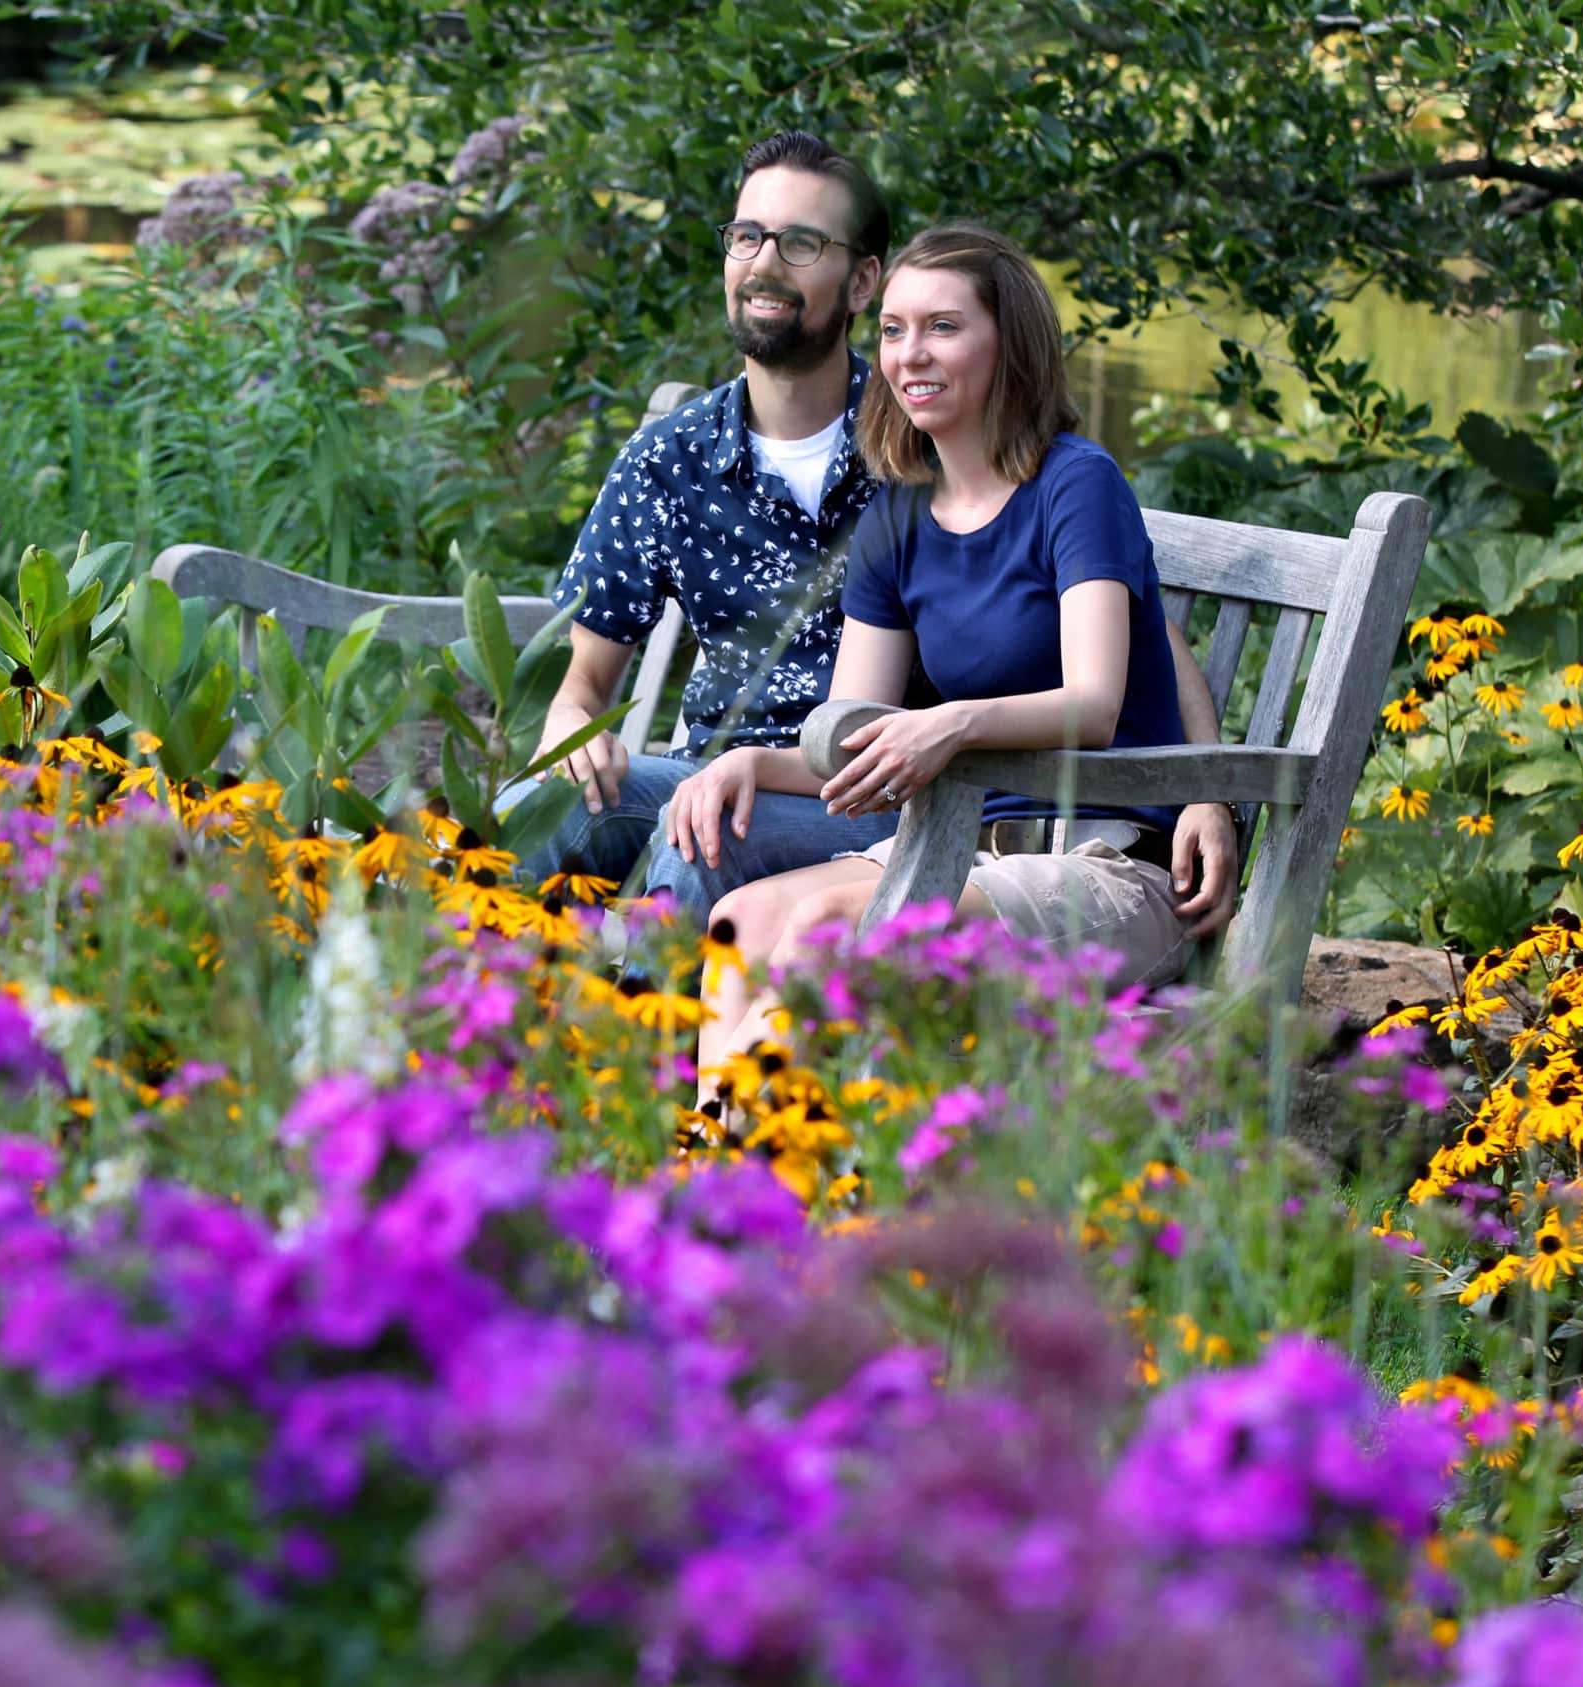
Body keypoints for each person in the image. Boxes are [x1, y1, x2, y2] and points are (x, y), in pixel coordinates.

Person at [512, 134, 1236, 935]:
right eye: (747, 237)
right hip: (739, 770)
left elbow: (1135, 633)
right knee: (539, 810)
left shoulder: (928, 433)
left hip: (903, 793)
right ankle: (456, 1029)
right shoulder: (672, 459)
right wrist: (570, 730)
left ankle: (666, 1053)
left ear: (860, 279)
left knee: (704, 844)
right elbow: (581, 683)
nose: (764, 264)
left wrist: (1204, 785)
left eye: (800, 243)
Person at [691, 220, 1239, 1073]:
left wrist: (949, 723)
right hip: (956, 854)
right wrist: (751, 764)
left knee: (825, 930)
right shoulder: (900, 515)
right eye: (895, 329)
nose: (911, 355)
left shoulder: (1076, 483)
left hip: (1106, 871)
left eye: (944, 327)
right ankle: (728, 1176)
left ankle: (737, 1175)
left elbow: (1093, 708)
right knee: (739, 926)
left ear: (1008, 345)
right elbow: (857, 736)